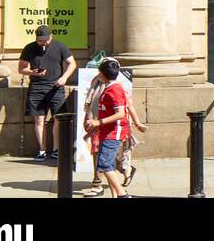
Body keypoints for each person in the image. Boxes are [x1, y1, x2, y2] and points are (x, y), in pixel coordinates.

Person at [17, 25, 76, 161]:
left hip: (56, 87)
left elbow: (72, 63)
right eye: (40, 40)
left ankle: (56, 149)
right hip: (37, 87)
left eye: (45, 40)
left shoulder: (60, 46)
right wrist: (33, 72)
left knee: (58, 118)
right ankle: (42, 150)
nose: (43, 43)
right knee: (39, 119)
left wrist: (64, 78)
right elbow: (21, 69)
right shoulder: (29, 48)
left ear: (51, 36)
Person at [83, 58, 131, 199]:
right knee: (108, 165)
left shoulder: (114, 89)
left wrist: (98, 122)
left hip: (114, 131)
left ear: (102, 74)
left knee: (104, 164)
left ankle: (122, 194)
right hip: (106, 131)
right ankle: (115, 195)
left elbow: (121, 113)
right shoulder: (109, 87)